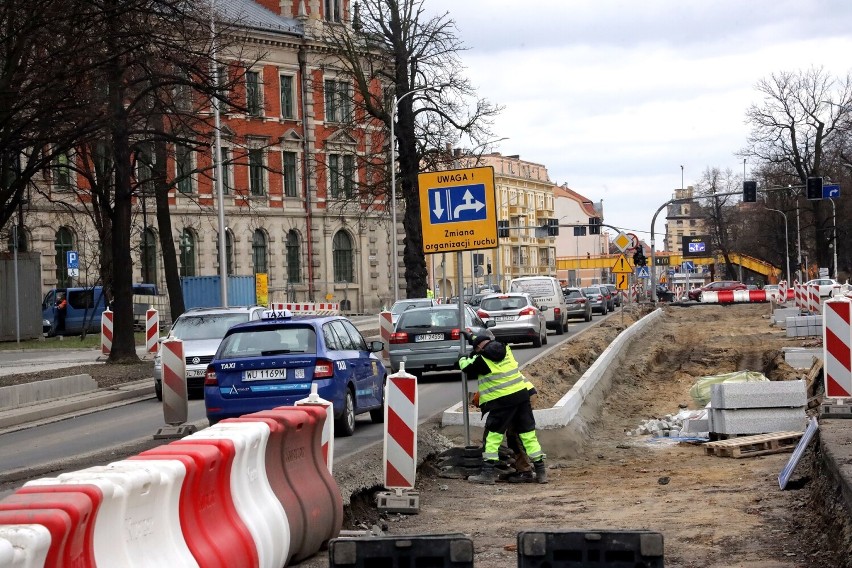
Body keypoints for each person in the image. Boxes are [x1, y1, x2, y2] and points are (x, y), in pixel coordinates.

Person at [459, 333, 547, 484]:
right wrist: (473, 338)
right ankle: (541, 472)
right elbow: (485, 345)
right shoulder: (506, 349)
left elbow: (465, 366)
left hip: (502, 401)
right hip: (521, 396)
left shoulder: (482, 360)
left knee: (492, 436)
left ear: (479, 349)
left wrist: (463, 356)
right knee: (527, 434)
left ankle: (487, 474)